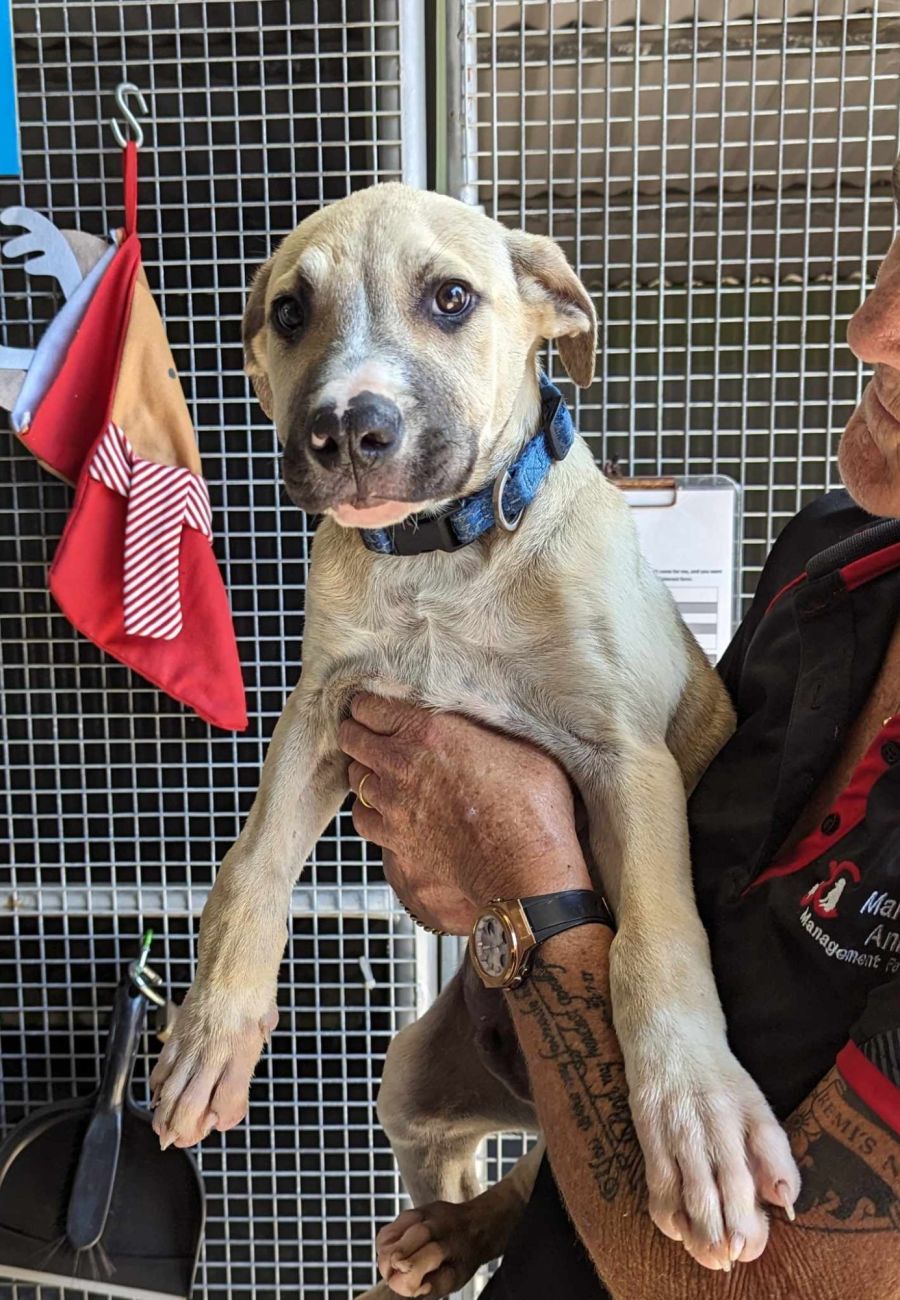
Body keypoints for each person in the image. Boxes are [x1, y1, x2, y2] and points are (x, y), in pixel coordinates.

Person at [339, 158, 900, 1300]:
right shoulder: (830, 562)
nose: (870, 328)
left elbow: (760, 1284)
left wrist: (519, 876)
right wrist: (505, 1209)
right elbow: (659, 873)